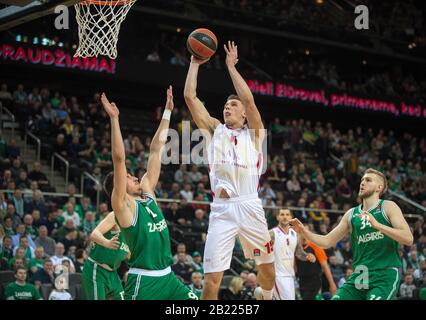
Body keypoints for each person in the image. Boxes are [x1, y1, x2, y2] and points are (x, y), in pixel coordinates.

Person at [184, 41, 274, 300]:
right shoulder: (214, 130)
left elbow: (248, 99)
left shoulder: (255, 134)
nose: (227, 107)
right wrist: (194, 63)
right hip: (222, 210)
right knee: (212, 280)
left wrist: (231, 67)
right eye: (225, 105)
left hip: (250, 207)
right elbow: (190, 97)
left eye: (233, 106)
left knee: (267, 270)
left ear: (244, 115)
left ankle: (265, 297)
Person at [101, 86, 197, 300]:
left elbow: (156, 150)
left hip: (169, 279)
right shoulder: (123, 206)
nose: (135, 177)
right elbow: (118, 159)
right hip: (144, 283)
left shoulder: (147, 194)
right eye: (128, 177)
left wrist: (168, 112)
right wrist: (115, 119)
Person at [290, 168, 413, 300]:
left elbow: (408, 238)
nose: (362, 182)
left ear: (379, 187)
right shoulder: (351, 214)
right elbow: (327, 241)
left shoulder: (388, 206)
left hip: (384, 275)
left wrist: (378, 226)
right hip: (360, 276)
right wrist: (304, 231)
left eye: (368, 180)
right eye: (362, 180)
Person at [266, 208, 316, 300]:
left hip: (290, 275)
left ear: (291, 217)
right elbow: (263, 253)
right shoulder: (272, 234)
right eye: (282, 214)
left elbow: (299, 253)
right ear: (277, 217)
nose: (285, 217)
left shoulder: (294, 234)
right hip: (277, 275)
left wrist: (308, 256)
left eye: (287, 214)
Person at [82, 211, 129, 300]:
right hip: (96, 269)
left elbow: (129, 255)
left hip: (113, 273)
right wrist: (107, 243)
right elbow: (94, 234)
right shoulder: (116, 215)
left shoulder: (134, 227)